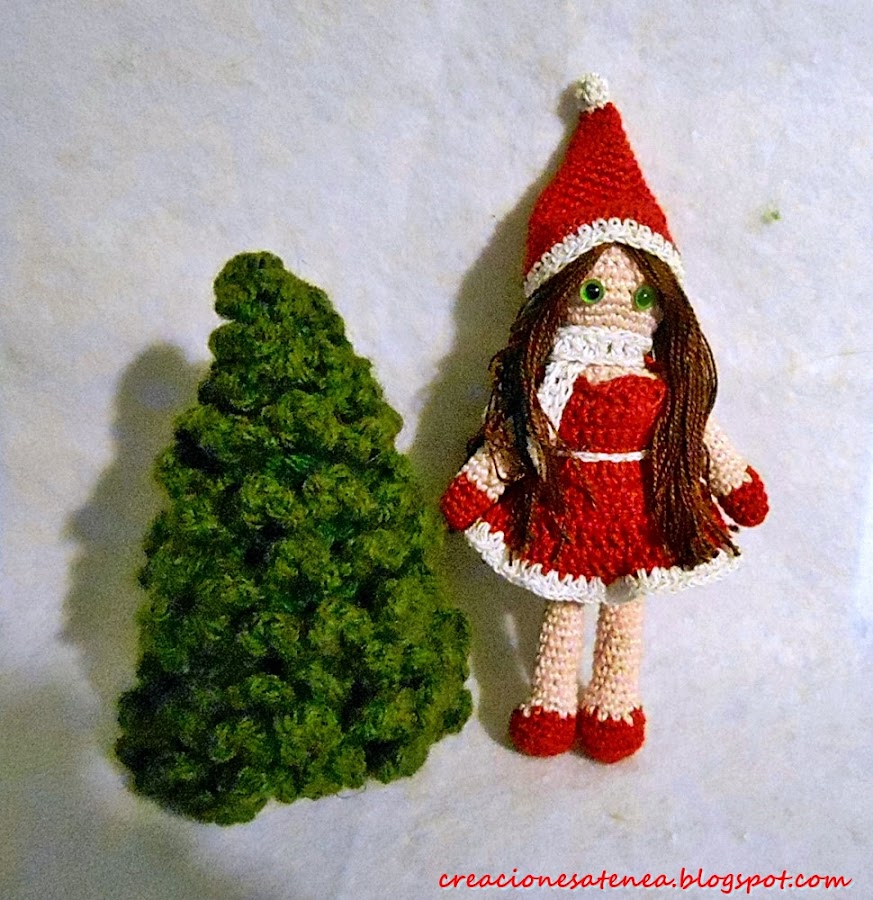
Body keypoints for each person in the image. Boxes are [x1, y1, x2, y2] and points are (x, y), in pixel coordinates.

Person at [441, 74, 768, 763]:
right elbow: (517, 439)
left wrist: (733, 481)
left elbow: (697, 436)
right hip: (566, 514)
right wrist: (476, 484)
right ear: (556, 291)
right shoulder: (547, 384)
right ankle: (551, 700)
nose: (618, 303)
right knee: (562, 608)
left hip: (639, 518)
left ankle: (613, 701)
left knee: (625, 610)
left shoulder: (662, 384)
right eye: (590, 288)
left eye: (641, 293)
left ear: (662, 299)